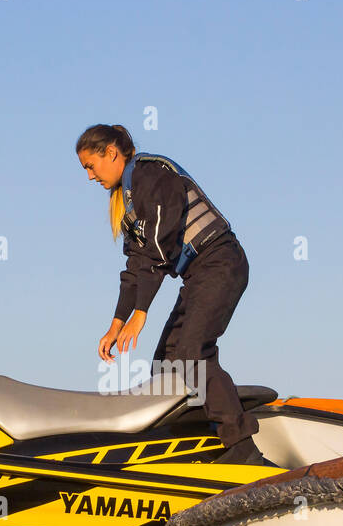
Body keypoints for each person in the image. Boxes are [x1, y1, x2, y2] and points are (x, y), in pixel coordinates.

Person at [75, 123, 272, 466]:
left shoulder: (151, 175)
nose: (90, 177)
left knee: (192, 353)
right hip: (197, 277)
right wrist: (116, 322)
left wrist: (141, 314)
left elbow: (160, 247)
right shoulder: (128, 201)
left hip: (221, 261)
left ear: (111, 152)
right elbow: (136, 265)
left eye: (91, 165)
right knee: (167, 364)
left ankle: (242, 449)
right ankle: (188, 447)